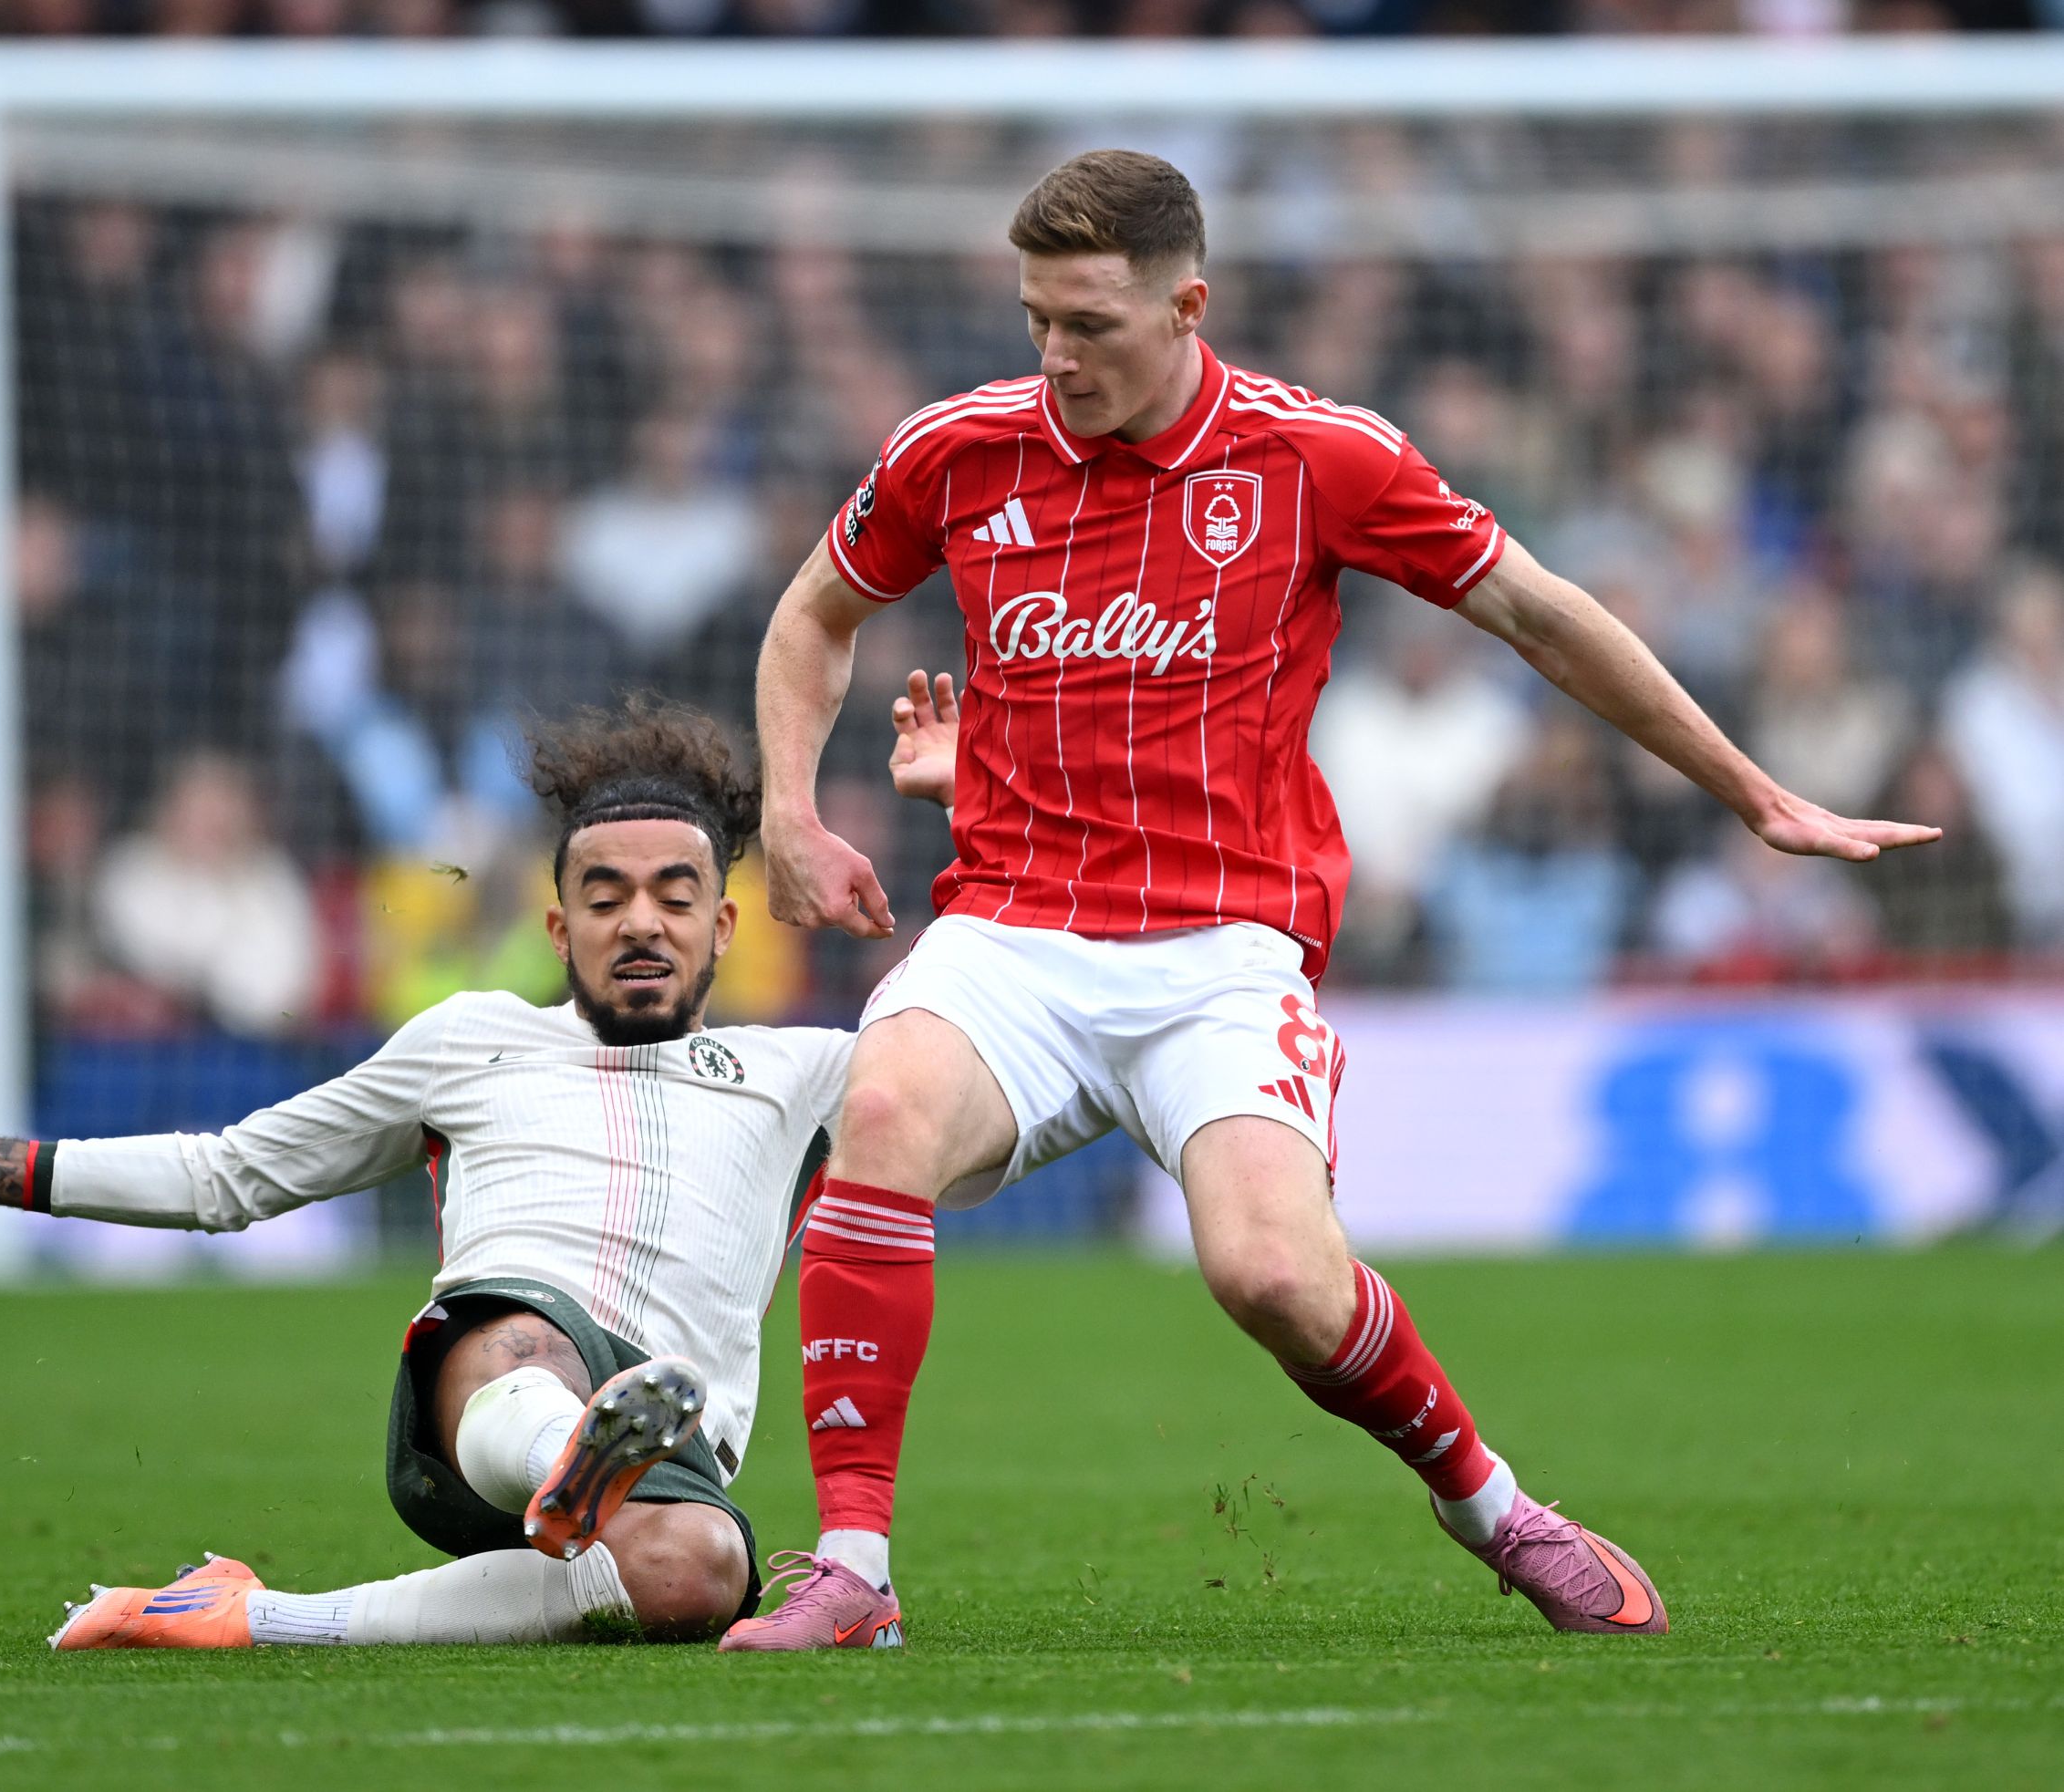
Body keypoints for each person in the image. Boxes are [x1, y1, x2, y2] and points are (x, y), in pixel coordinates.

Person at [739, 150, 1940, 1651]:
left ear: (1191, 306)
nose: (1057, 355)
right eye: (1037, 318)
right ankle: (853, 1568)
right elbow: (814, 612)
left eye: (1092, 324)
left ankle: (1493, 1507)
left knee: (1268, 1275)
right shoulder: (958, 449)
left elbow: (1542, 614)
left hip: (1222, 954)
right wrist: (789, 808)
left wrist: (1755, 793)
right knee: (887, 1105)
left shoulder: (1319, 457)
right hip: (1012, 932)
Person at [0, 694, 955, 1650]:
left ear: (725, 925)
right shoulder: (467, 1038)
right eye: (606, 899)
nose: (640, 923)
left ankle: (255, 1618)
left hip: (674, 1454)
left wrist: (975, 828)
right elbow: (230, 1174)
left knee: (702, 1575)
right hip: (485, 1396)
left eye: (674, 896)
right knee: (526, 1339)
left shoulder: (810, 1074)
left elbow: (996, 1073)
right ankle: (569, 1449)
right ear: (560, 930)